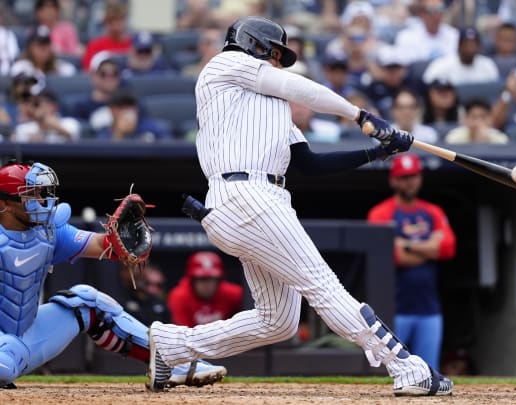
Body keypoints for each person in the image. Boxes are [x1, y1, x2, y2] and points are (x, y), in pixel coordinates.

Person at [145, 16, 452, 397]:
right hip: (246, 196)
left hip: (253, 203)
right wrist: (360, 115)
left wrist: (378, 151)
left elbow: (309, 164)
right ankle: (406, 367)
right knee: (323, 287)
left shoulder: (272, 108)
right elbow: (295, 85)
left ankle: (174, 347)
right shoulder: (226, 64)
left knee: (278, 321)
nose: (276, 61)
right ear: (253, 44)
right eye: (273, 53)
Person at [0, 161, 226, 389]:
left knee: (86, 301)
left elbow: (102, 246)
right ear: (5, 205)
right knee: (4, 363)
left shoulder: (49, 231)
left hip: (25, 337)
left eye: (39, 192)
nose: (41, 201)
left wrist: (118, 241)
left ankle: (175, 363)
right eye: (30, 196)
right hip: (4, 347)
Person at [367, 153, 457, 370]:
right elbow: (390, 256)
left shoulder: (432, 212)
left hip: (429, 309)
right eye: (404, 177)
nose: (410, 181)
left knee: (428, 370)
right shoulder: (381, 213)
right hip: (392, 310)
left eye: (413, 176)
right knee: (390, 369)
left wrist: (405, 244)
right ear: (394, 180)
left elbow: (447, 249)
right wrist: (428, 247)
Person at [167, 251, 243, 327]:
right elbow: (184, 333)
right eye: (202, 279)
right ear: (192, 280)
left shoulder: (231, 293)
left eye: (212, 279)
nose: (207, 285)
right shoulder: (179, 297)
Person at [421, 26, 500, 87]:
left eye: (474, 45)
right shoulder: (442, 65)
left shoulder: (488, 65)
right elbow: (427, 85)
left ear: (480, 47)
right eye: (466, 44)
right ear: (458, 46)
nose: (470, 48)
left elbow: (494, 91)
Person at [96, 90, 172, 141]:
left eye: (130, 108)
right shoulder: (104, 132)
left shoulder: (151, 127)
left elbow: (168, 145)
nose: (126, 112)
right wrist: (119, 134)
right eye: (121, 108)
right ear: (111, 111)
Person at [11, 88, 81, 143]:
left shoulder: (69, 123)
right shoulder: (25, 128)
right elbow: (14, 141)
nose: (35, 108)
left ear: (53, 107)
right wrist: (30, 139)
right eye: (34, 104)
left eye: (38, 104)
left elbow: (72, 136)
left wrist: (48, 122)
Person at [82, 0, 132, 71]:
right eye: (111, 20)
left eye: (119, 19)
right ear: (105, 22)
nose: (116, 23)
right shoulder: (94, 45)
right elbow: (88, 73)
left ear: (125, 20)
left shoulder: (134, 45)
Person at [10, 25, 76, 78]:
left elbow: (71, 71)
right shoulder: (21, 68)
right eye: (38, 45)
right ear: (30, 48)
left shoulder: (60, 67)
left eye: (46, 45)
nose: (43, 49)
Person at [444, 98, 509, 144]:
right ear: (465, 119)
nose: (478, 122)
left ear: (490, 119)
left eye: (483, 117)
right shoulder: (453, 138)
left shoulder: (501, 140)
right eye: (474, 117)